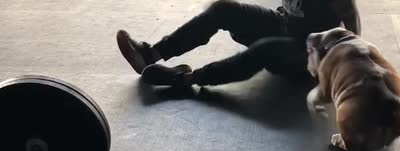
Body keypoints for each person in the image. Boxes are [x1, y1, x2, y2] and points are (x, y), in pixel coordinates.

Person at [117, 0, 361, 87]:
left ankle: (187, 79)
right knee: (225, 9)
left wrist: (355, 59)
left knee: (265, 48)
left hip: (309, 54)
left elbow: (350, 14)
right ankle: (150, 55)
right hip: (283, 25)